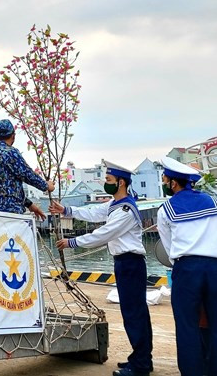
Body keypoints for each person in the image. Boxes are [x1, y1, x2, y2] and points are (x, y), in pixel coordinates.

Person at [51, 161, 153, 376]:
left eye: (108, 181)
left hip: (130, 263)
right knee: (135, 313)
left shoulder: (126, 209)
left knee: (134, 314)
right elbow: (95, 212)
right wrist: (66, 210)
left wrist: (73, 242)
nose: (105, 184)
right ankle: (141, 358)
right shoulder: (114, 204)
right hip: (125, 263)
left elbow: (104, 234)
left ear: (121, 182)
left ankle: (141, 365)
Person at [156, 156, 217, 376]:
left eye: (165, 179)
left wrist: (184, 263)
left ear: (173, 183)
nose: (164, 184)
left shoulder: (166, 210)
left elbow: (169, 245)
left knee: (187, 328)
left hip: (187, 269)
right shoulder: (216, 203)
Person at [0, 119, 54, 220]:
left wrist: (29, 205)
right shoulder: (9, 152)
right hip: (11, 214)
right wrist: (46, 186)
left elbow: (1, 190)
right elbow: (27, 174)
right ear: (13, 135)